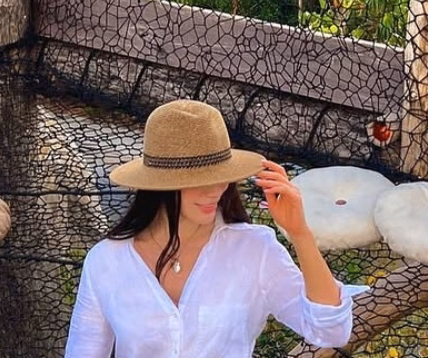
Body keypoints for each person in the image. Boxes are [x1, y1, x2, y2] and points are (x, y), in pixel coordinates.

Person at [63, 99, 367, 358]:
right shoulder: (106, 261)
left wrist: (300, 234)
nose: (216, 190)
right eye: (200, 180)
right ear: (160, 185)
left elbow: (330, 330)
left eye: (222, 176)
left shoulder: (254, 249)